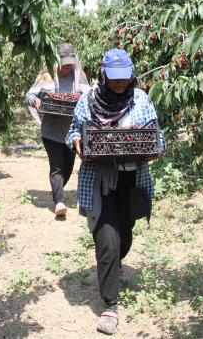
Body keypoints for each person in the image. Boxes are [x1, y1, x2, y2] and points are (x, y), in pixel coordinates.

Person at [66, 48, 165, 335]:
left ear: (131, 74)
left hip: (132, 178)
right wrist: (77, 141)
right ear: (103, 73)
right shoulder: (89, 100)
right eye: (114, 78)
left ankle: (117, 262)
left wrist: (155, 148)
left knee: (125, 231)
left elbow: (156, 135)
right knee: (107, 238)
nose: (120, 83)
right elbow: (74, 129)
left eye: (124, 77)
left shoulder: (141, 99)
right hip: (101, 179)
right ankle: (110, 304)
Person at [26, 43, 89, 217]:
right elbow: (29, 95)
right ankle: (59, 201)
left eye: (70, 65)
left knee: (68, 167)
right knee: (57, 165)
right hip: (51, 130)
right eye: (64, 64)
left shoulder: (78, 77)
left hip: (71, 132)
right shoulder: (46, 75)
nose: (67, 68)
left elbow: (88, 97)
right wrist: (36, 101)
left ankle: (58, 188)